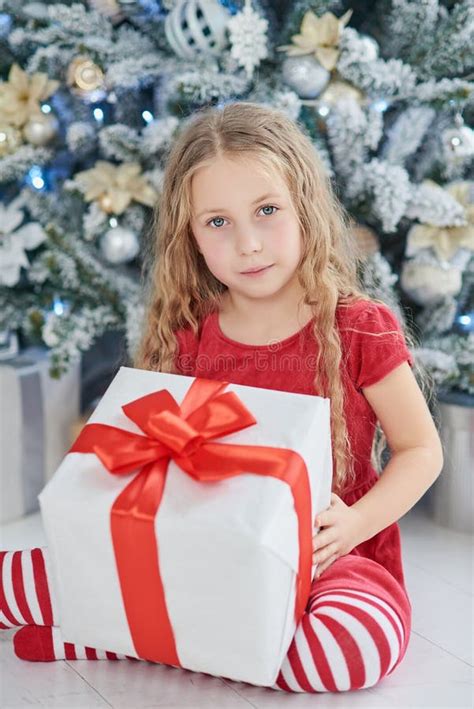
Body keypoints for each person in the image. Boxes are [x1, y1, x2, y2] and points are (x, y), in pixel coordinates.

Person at [1, 101, 444, 693]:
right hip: (209, 556)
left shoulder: (360, 327)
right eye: (218, 222)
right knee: (26, 577)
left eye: (267, 211)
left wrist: (356, 522)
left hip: (331, 566)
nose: (249, 244)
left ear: (306, 206)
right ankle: (167, 634)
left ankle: (115, 637)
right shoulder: (190, 333)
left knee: (348, 647)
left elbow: (421, 450)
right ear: (191, 239)